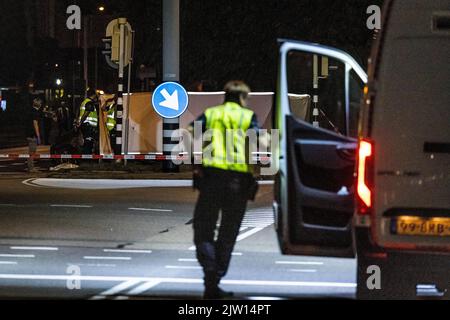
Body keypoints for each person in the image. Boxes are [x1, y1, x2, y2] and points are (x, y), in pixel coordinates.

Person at [190, 80, 260, 299]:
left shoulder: (211, 114)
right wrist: (254, 175)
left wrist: (197, 165)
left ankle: (210, 273)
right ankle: (215, 277)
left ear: (225, 95)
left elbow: (190, 133)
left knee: (203, 229)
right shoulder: (248, 117)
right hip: (238, 183)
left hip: (212, 179)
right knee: (228, 233)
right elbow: (254, 144)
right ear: (242, 98)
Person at [76, 89, 100, 155]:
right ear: (94, 95)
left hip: (85, 125)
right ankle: (87, 158)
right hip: (88, 125)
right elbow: (86, 113)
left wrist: (78, 122)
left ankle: (86, 157)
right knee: (88, 143)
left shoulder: (84, 102)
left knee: (88, 142)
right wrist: (80, 122)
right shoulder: (89, 103)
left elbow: (79, 112)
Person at [26, 98, 43, 172]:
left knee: (31, 152)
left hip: (28, 133)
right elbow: (35, 124)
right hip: (33, 135)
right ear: (39, 104)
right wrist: (38, 136)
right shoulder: (35, 112)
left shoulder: (30, 111)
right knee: (32, 152)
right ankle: (31, 168)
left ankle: (31, 167)